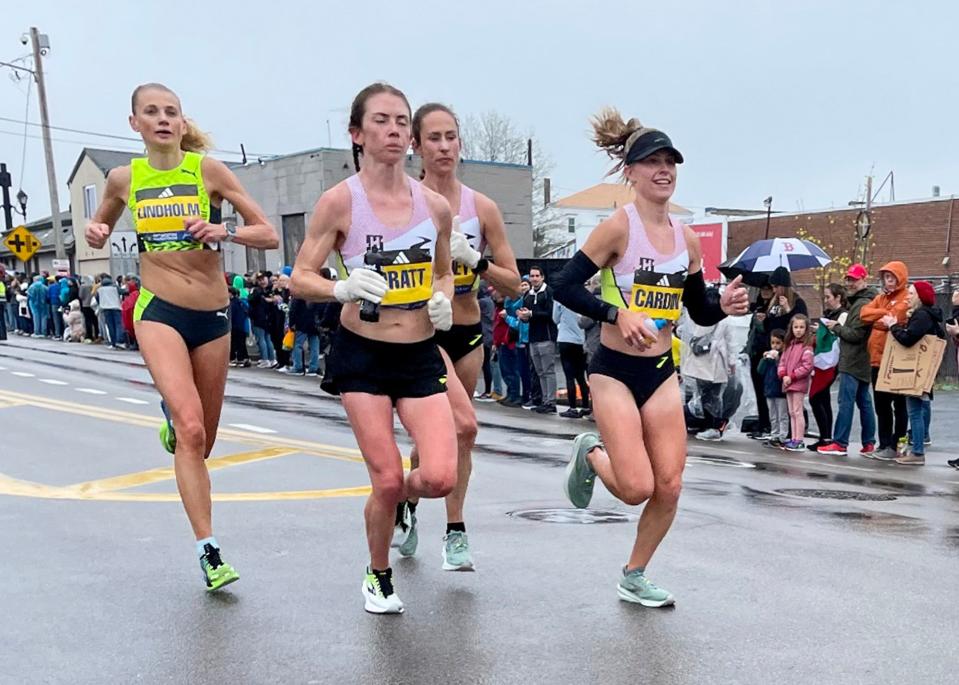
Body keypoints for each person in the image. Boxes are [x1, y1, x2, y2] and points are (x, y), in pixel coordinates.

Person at [84, 82, 277, 591]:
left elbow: (268, 233)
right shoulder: (125, 178)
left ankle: (175, 417)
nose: (163, 119)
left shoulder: (207, 171)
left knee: (203, 440)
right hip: (158, 309)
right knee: (191, 430)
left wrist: (224, 231)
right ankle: (209, 551)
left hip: (212, 314)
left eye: (171, 111)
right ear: (136, 124)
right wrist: (95, 232)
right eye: (152, 112)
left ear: (182, 121)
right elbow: (98, 226)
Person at [553, 108, 749, 606]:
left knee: (670, 485)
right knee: (637, 486)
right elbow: (564, 286)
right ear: (631, 172)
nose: (664, 170)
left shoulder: (686, 240)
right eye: (653, 161)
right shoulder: (618, 228)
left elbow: (699, 310)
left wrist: (722, 305)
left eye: (670, 162)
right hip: (614, 370)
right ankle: (591, 453)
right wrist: (616, 314)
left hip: (660, 371)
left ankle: (634, 573)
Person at [290, 82, 457, 614]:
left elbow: (445, 273)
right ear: (357, 134)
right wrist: (339, 288)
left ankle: (398, 503)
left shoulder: (433, 206)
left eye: (401, 122)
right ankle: (378, 574)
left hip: (418, 353)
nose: (394, 131)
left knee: (438, 477)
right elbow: (299, 276)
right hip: (361, 353)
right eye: (381, 121)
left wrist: (442, 301)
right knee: (385, 478)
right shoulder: (340, 201)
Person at [385, 103, 520, 569]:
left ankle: (407, 500)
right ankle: (455, 528)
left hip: (467, 330)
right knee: (463, 426)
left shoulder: (482, 208)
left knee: (440, 440)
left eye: (451, 137)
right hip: (424, 334)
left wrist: (476, 261)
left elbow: (514, 283)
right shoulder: (406, 204)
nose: (444, 147)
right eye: (434, 139)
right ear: (416, 147)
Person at [818, 264, 879, 457]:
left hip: (853, 360)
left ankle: (840, 442)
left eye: (854, 279)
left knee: (846, 401)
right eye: (849, 279)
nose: (850, 283)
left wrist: (836, 327)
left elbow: (855, 335)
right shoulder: (865, 301)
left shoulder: (861, 304)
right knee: (865, 402)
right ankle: (869, 443)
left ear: (864, 279)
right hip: (863, 359)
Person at [884, 281, 944, 465]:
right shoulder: (930, 315)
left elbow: (908, 339)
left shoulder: (922, 315)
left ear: (919, 296)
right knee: (917, 409)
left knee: (915, 411)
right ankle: (917, 448)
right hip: (923, 369)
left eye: (911, 293)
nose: (908, 296)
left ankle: (917, 451)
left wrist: (893, 326)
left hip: (916, 370)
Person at [860, 261, 910, 459]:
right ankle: (884, 443)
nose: (888, 282)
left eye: (892, 278)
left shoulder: (906, 297)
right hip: (876, 359)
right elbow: (864, 314)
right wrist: (882, 314)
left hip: (895, 359)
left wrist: (882, 319)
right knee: (881, 404)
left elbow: (897, 317)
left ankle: (898, 444)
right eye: (886, 278)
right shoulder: (881, 298)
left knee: (900, 405)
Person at [682, 303, 736, 441]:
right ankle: (708, 425)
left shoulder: (700, 317)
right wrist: (731, 362)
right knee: (707, 396)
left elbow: (687, 333)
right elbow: (731, 342)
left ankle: (713, 426)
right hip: (709, 362)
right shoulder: (723, 319)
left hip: (708, 361)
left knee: (709, 396)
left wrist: (731, 361)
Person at [807, 284, 847, 451]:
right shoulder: (829, 314)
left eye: (829, 297)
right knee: (822, 398)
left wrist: (826, 329)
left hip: (831, 362)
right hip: (824, 360)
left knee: (816, 397)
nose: (826, 300)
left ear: (838, 297)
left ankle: (826, 436)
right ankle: (826, 436)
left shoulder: (843, 314)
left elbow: (839, 333)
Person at [519, 266, 558, 413]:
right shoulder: (528, 295)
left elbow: (550, 314)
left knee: (548, 370)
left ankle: (551, 402)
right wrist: (523, 316)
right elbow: (526, 316)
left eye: (537, 276)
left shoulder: (548, 292)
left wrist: (531, 314)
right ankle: (544, 400)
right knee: (539, 371)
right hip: (533, 337)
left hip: (546, 337)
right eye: (532, 276)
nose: (534, 279)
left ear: (542, 277)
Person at [777, 314, 815, 452]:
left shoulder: (807, 348)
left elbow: (807, 366)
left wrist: (791, 376)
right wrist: (782, 375)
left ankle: (799, 440)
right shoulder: (789, 346)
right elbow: (782, 362)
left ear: (806, 329)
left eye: (801, 327)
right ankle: (793, 437)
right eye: (796, 327)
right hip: (788, 382)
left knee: (797, 411)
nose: (798, 330)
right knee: (791, 411)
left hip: (797, 383)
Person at [745, 281, 774, 437]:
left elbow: (770, 332)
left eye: (768, 288)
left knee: (767, 390)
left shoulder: (774, 308)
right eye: (762, 288)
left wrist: (764, 321)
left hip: (767, 353)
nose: (765, 291)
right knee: (758, 390)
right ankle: (763, 423)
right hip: (755, 352)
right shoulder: (757, 307)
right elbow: (752, 330)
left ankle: (769, 425)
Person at [554, 299, 590, 418]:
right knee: (581, 376)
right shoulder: (582, 297)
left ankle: (573, 408)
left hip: (565, 339)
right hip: (580, 339)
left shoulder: (560, 299)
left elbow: (555, 319)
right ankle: (585, 406)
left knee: (569, 376)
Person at [758, 329, 788, 447]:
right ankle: (774, 434)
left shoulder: (784, 357)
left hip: (780, 391)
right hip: (769, 390)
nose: (775, 346)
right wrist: (764, 359)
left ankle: (783, 436)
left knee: (782, 415)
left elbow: (783, 370)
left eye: (778, 343)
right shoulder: (769, 358)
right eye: (773, 343)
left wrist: (778, 359)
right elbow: (760, 371)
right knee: (773, 415)